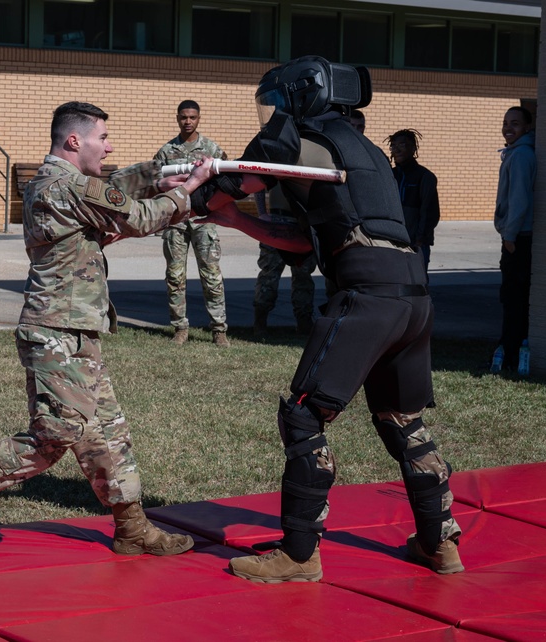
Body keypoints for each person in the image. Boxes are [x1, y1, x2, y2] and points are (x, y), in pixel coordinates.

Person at [192, 56, 464, 582]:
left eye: (272, 102)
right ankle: (440, 543)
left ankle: (298, 554)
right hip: (412, 295)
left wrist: (203, 192)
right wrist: (235, 222)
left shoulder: (293, 139)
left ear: (297, 97)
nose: (267, 114)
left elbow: (219, 188)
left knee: (302, 415)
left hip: (367, 296)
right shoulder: (365, 151)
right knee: (401, 420)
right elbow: (315, 239)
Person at [0, 101, 217, 559]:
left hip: (75, 328)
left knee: (106, 432)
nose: (108, 146)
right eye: (102, 138)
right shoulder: (66, 185)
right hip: (57, 330)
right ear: (75, 141)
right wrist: (189, 187)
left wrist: (158, 176)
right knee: (56, 435)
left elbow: (110, 191)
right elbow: (138, 217)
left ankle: (132, 527)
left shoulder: (55, 183)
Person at [154, 100, 231, 347]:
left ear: (199, 118)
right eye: (184, 117)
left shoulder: (211, 149)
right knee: (175, 276)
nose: (188, 121)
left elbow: (227, 183)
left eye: (192, 117)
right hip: (175, 220)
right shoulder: (166, 152)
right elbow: (155, 183)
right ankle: (180, 328)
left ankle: (219, 330)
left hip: (203, 220)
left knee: (211, 276)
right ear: (177, 118)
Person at [491, 106, 536, 373]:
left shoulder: (520, 156)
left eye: (515, 123)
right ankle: (509, 349)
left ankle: (510, 354)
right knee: (513, 297)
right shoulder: (516, 153)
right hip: (517, 237)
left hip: (518, 239)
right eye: (505, 122)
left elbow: (519, 199)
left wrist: (509, 237)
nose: (509, 127)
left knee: (513, 298)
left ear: (527, 127)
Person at [252, 184, 317, 335]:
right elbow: (257, 183)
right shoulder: (275, 160)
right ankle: (260, 323)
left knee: (303, 276)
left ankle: (304, 322)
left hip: (303, 222)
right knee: (269, 275)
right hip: (277, 221)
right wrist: (262, 213)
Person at [386, 129, 440, 274]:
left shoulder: (425, 177)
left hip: (416, 244)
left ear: (413, 148)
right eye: (393, 146)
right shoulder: (389, 175)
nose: (396, 149)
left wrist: (419, 240)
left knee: (417, 284)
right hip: (392, 242)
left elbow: (430, 212)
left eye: (402, 145)